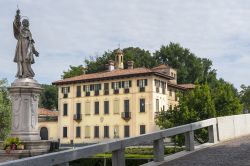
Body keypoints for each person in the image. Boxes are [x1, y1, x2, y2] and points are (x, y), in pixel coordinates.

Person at [13, 9, 39, 78]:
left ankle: (28, 73)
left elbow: (31, 42)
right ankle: (23, 73)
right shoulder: (20, 29)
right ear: (23, 23)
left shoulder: (29, 32)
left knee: (27, 60)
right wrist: (17, 15)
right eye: (25, 22)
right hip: (21, 46)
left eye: (27, 22)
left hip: (28, 47)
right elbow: (17, 23)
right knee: (22, 59)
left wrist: (35, 51)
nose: (27, 23)